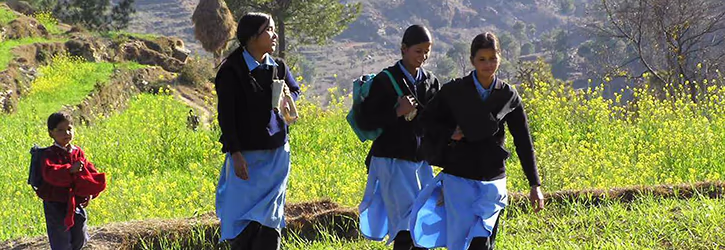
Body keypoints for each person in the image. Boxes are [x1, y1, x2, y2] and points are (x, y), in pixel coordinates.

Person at [410, 32, 544, 250]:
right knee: (459, 243)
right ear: (472, 60)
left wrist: (534, 184)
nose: (488, 64)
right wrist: (450, 133)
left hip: (492, 181)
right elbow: (423, 122)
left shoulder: (508, 95)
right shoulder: (455, 90)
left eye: (493, 58)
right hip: (459, 179)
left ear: (500, 58)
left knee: (482, 242)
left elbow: (523, 141)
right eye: (482, 59)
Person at [213, 12, 300, 250]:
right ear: (252, 37)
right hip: (247, 158)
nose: (274, 35)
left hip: (276, 155)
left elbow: (294, 89)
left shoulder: (278, 66)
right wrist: (236, 153)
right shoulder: (232, 71)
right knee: (243, 218)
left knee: (271, 216)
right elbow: (226, 117)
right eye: (268, 30)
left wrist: (286, 98)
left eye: (273, 29)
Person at [357, 24, 441, 250]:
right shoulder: (386, 80)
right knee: (404, 226)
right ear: (403, 49)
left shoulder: (431, 82)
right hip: (392, 162)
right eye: (418, 51)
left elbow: (436, 121)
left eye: (427, 51)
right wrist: (397, 112)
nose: (423, 57)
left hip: (420, 162)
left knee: (420, 224)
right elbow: (367, 120)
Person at [37, 112, 106, 250]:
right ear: (51, 133)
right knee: (60, 239)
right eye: (60, 130)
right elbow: (50, 173)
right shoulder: (49, 154)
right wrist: (69, 170)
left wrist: (90, 192)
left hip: (75, 201)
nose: (66, 133)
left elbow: (89, 171)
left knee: (79, 234)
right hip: (55, 203)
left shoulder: (77, 152)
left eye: (69, 129)